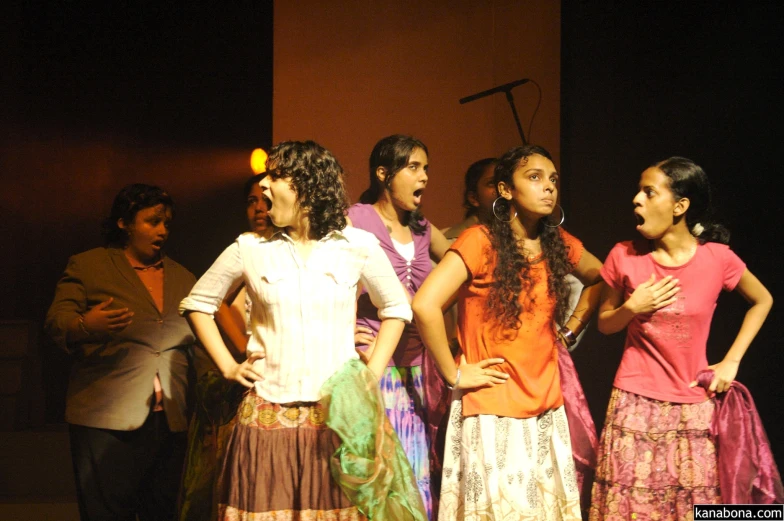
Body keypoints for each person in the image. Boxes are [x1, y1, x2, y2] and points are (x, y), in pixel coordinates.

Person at [179, 140, 427, 521]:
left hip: (336, 419)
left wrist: (371, 372)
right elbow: (198, 304)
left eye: (275, 176)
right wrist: (230, 367)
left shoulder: (355, 245)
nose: (263, 186)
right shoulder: (251, 247)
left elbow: (396, 307)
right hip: (267, 414)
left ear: (306, 185)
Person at [413, 144, 604, 520]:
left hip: (545, 405)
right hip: (493, 407)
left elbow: (602, 278)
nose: (547, 187)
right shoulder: (480, 241)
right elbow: (424, 304)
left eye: (552, 179)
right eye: (534, 178)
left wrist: (571, 330)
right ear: (505, 190)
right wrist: (453, 374)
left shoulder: (556, 243)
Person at [590, 157, 774, 519]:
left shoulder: (717, 258)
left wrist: (732, 360)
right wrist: (632, 307)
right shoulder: (624, 256)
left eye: (649, 192)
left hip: (694, 404)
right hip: (634, 403)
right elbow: (605, 324)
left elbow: (762, 300)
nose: (636, 200)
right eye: (638, 192)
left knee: (694, 508)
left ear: (680, 206)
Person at [46, 184, 196, 521]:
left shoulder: (183, 277)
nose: (162, 231)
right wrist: (87, 324)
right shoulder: (89, 265)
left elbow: (197, 347)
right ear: (124, 223)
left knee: (164, 511)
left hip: (168, 419)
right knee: (107, 512)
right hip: (105, 417)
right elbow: (57, 321)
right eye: (152, 221)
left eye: (167, 223)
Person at [348, 134, 452, 519]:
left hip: (419, 368)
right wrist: (344, 335)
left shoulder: (423, 228)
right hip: (375, 363)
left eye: (426, 168)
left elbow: (465, 266)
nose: (424, 176)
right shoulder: (357, 219)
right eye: (414, 167)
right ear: (383, 174)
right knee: (379, 476)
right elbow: (329, 279)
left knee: (415, 471)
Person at [178, 173, 274, 521]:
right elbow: (214, 305)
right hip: (235, 378)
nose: (260, 207)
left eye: (265, 199)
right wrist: (244, 350)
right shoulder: (246, 246)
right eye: (252, 201)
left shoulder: (285, 246)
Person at [441, 157, 497, 240]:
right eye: (492, 183)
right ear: (473, 198)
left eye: (506, 182)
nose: (501, 189)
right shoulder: (457, 240)